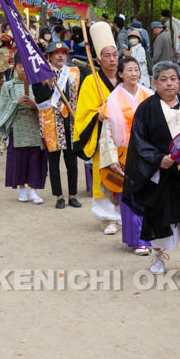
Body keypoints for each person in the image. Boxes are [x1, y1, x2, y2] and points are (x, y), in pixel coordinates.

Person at [123, 61, 180, 279]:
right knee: (158, 215)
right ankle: (158, 257)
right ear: (155, 82)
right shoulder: (146, 109)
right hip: (161, 173)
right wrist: (157, 159)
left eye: (173, 78)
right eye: (163, 79)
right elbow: (139, 142)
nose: (169, 84)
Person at [99, 55, 153, 256]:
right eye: (129, 70)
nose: (134, 73)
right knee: (129, 197)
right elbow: (107, 132)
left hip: (147, 154)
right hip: (124, 155)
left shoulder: (148, 95)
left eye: (136, 69)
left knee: (148, 195)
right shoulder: (113, 99)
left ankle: (149, 236)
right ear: (120, 74)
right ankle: (137, 239)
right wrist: (111, 159)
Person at [75, 22, 121, 234]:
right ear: (98, 60)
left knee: (125, 174)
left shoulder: (125, 79)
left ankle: (123, 214)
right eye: (107, 55)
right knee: (104, 175)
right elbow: (83, 113)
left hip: (124, 137)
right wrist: (98, 114)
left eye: (114, 55)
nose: (112, 59)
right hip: (102, 136)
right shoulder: (91, 82)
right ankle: (107, 218)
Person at [32, 41, 82, 209]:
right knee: (53, 161)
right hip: (51, 123)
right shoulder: (40, 74)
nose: (60, 56)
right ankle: (59, 195)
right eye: (56, 53)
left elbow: (81, 94)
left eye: (63, 53)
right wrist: (49, 83)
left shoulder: (74, 72)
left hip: (71, 123)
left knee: (72, 161)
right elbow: (39, 98)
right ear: (49, 56)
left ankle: (73, 195)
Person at [0, 55, 47, 204]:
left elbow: (46, 105)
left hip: (34, 124)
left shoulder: (37, 84)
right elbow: (3, 107)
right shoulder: (8, 86)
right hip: (17, 125)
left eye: (26, 67)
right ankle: (22, 190)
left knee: (35, 158)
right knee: (19, 159)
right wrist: (15, 103)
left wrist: (34, 104)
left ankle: (34, 191)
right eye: (20, 67)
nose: (23, 70)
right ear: (15, 68)